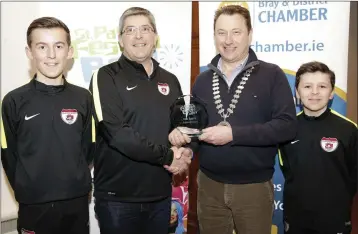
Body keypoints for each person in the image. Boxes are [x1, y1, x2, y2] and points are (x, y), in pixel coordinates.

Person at [169, 5, 297, 234]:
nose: (228, 40)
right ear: (214, 35)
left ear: (250, 34)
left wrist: (234, 134)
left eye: (236, 32)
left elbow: (287, 126)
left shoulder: (272, 75)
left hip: (253, 188)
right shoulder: (202, 80)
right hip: (209, 185)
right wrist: (188, 150)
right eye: (221, 32)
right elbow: (196, 130)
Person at [89, 7, 192, 234]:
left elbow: (184, 127)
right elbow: (116, 132)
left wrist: (186, 152)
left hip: (160, 197)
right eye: (130, 30)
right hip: (118, 200)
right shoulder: (105, 77)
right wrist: (167, 156)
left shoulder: (171, 80)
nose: (138, 36)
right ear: (120, 40)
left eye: (145, 29)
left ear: (155, 36)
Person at [1, 17, 94, 234]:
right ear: (29, 52)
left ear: (69, 51)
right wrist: (30, 188)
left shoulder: (83, 98)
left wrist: (73, 178)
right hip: (34, 205)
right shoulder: (13, 101)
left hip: (76, 202)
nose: (51, 55)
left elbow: (89, 148)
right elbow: (8, 154)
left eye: (58, 46)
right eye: (42, 47)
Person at [279, 61, 357, 234]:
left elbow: (353, 176)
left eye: (322, 86)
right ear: (297, 91)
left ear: (331, 93)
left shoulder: (349, 129)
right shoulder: (287, 129)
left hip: (335, 218)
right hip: (296, 218)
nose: (314, 92)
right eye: (307, 86)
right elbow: (287, 169)